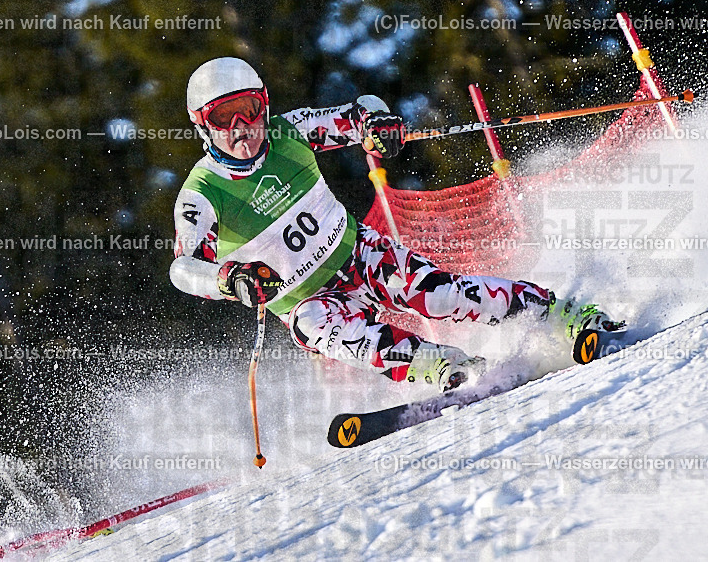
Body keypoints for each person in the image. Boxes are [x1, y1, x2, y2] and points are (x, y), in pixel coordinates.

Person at [170, 57, 625, 391]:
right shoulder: (203, 193)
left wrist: (378, 122)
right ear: (202, 126)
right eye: (223, 118)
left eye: (249, 110)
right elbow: (183, 269)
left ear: (265, 106)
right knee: (319, 328)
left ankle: (565, 315)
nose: (242, 127)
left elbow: (360, 109)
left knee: (440, 294)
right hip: (306, 299)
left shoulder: (290, 131)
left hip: (359, 254)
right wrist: (230, 281)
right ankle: (449, 368)